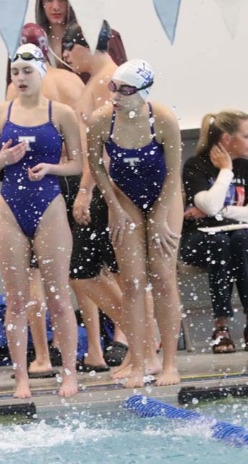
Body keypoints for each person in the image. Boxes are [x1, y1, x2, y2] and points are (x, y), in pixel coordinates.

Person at [0, 44, 82, 398]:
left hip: (49, 205)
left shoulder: (62, 113)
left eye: (27, 71)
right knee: (16, 300)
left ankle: (69, 374)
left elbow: (77, 164)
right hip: (9, 207)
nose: (20, 78)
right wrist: (4, 159)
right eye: (15, 72)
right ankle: (21, 378)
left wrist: (50, 168)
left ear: (41, 72)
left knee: (58, 297)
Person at [86, 59, 183, 388]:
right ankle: (140, 363)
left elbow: (174, 173)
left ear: (144, 92)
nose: (116, 95)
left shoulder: (163, 119)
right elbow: (96, 166)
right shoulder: (101, 120)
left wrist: (159, 217)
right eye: (113, 87)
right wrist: (113, 206)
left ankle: (169, 364)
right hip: (124, 196)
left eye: (125, 90)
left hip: (165, 196)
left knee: (163, 278)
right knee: (133, 282)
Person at [62, 21, 135, 372]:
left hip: (110, 190)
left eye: (69, 48)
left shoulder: (107, 81)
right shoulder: (98, 80)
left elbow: (103, 146)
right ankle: (140, 341)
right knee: (87, 271)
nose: (65, 56)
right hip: (107, 187)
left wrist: (86, 190)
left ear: (87, 45)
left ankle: (142, 342)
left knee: (105, 273)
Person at [181, 110, 248, 354]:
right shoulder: (195, 166)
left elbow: (210, 208)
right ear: (227, 139)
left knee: (241, 239)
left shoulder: (247, 166)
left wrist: (220, 210)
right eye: (246, 136)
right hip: (199, 240)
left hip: (238, 237)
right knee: (218, 242)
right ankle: (221, 326)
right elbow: (209, 205)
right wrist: (226, 171)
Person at [34, 0, 126, 76]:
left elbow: (122, 80)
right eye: (49, 0)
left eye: (62, 0)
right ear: (41, 3)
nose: (56, 7)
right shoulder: (34, 43)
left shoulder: (103, 37)